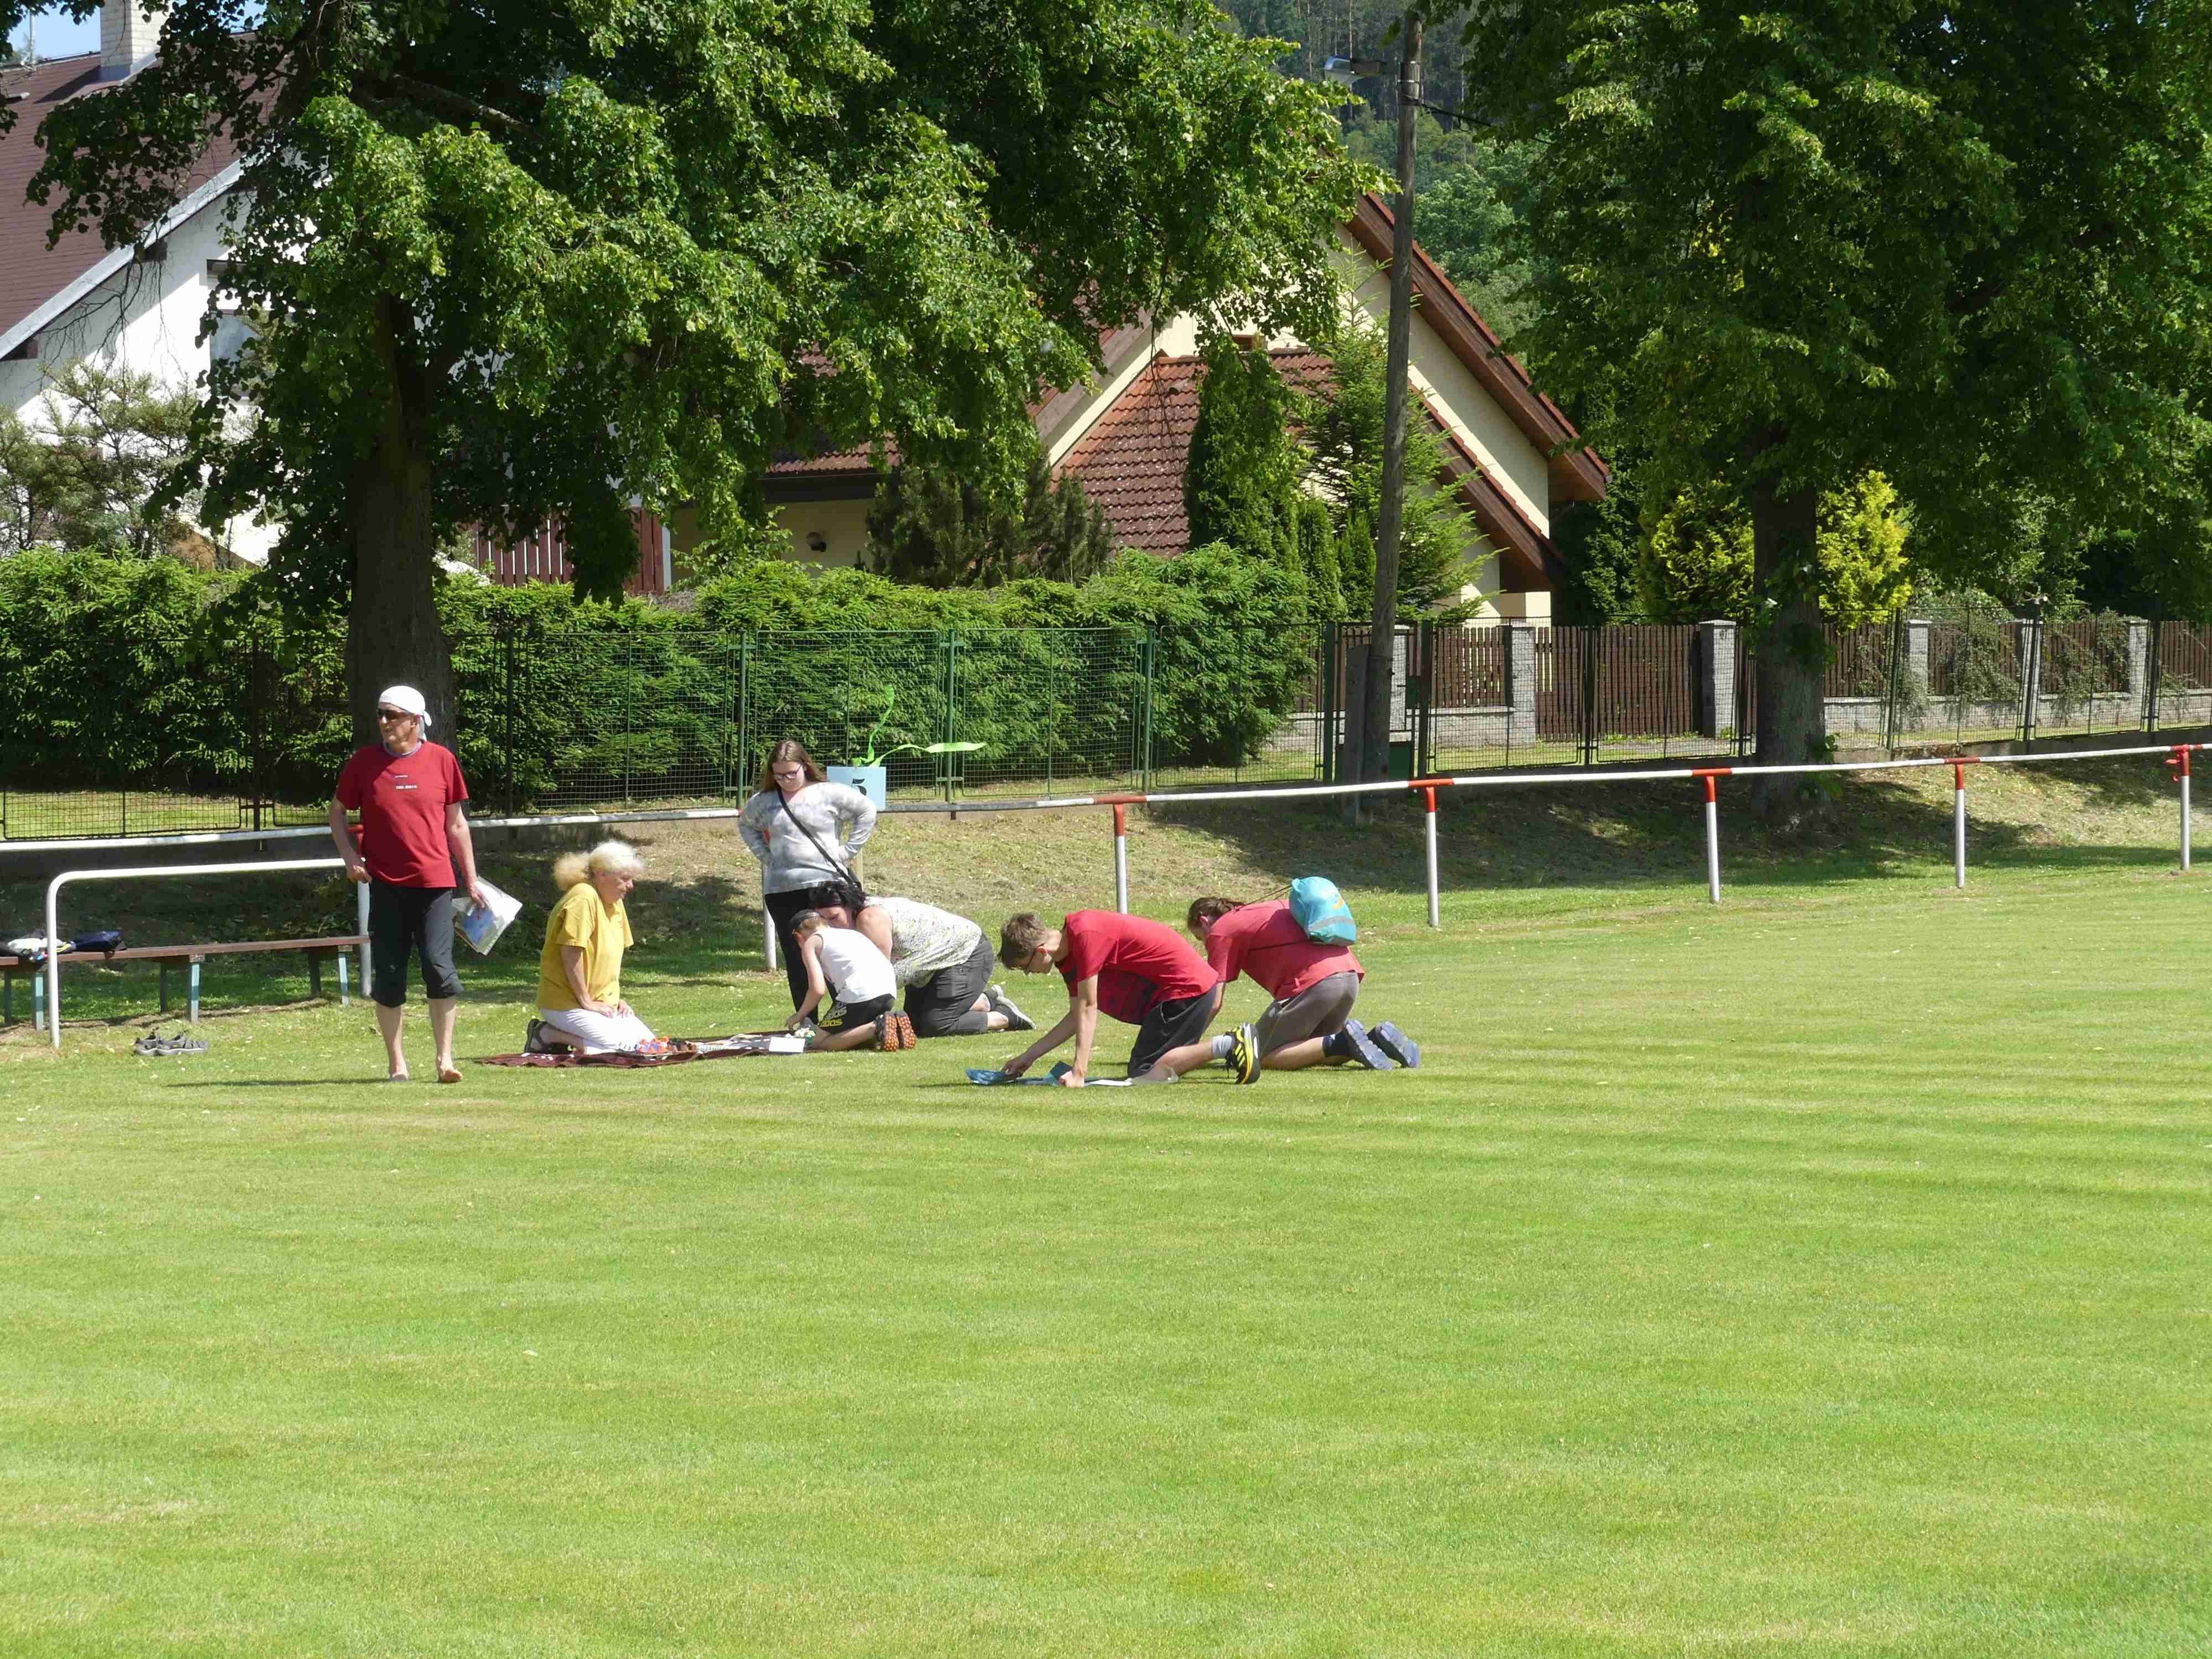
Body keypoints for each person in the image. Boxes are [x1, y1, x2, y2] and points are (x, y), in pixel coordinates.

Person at [329, 684, 485, 1084]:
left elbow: (456, 825)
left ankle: (445, 1060)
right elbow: (337, 812)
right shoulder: (364, 762)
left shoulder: (442, 760)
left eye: (393, 715)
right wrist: (350, 858)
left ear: (416, 720)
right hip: (385, 885)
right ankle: (397, 1064)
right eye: (381, 714)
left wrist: (471, 880)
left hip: (435, 885)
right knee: (390, 974)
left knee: (439, 968)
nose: (384, 722)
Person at [1186, 895, 1420, 1075]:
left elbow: (1213, 1002)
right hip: (1349, 976)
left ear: (1204, 921)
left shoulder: (1221, 931)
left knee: (1258, 1054)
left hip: (1315, 984)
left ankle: (1342, 1040)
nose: (1205, 944)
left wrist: (1188, 1047)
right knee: (1313, 1050)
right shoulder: (1271, 907)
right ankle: (1375, 1039)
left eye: (1199, 938)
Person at [995, 910, 1222, 1086]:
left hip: (1187, 989)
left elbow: (1088, 1007)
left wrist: (1079, 1072)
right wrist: (1029, 1057)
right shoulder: (1068, 954)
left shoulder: (1085, 936)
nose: (1029, 973)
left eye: (1025, 967)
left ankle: (1229, 1045)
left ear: (1041, 952)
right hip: (1176, 992)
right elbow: (1076, 1017)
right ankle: (1230, 1046)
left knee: (1145, 1073)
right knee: (1145, 1070)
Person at [738, 740, 880, 1011]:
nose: (786, 780)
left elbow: (867, 810)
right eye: (779, 775)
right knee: (797, 957)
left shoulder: (828, 792)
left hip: (825, 886)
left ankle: (849, 1014)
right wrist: (766, 857)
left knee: (837, 951)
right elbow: (746, 825)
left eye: (791, 773)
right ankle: (806, 1021)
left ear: (805, 766)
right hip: (782, 891)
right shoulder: (765, 801)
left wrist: (848, 851)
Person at [529, 841, 658, 1055]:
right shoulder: (584, 897)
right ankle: (546, 1034)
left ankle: (561, 1036)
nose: (631, 886)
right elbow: (571, 953)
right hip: (566, 1004)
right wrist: (586, 1001)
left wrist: (615, 999)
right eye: (625, 879)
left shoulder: (615, 900)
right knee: (624, 1049)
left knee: (649, 1045)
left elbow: (610, 958)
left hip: (601, 1003)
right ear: (601, 874)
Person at [853, 894, 1035, 1039]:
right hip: (932, 965)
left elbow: (880, 981)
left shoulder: (870, 919)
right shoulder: (855, 920)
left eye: (838, 916)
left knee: (937, 1024)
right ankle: (985, 1001)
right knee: (913, 1024)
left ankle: (1004, 1017)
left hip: (966, 954)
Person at [785, 910, 912, 1051]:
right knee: (852, 1040)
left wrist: (800, 1015)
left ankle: (877, 1027)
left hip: (860, 995)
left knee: (818, 1043)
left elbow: (818, 989)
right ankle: (892, 1029)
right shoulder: (852, 933)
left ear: (799, 937)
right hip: (888, 993)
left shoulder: (812, 942)